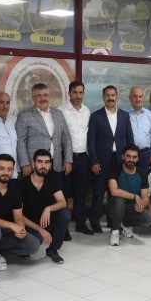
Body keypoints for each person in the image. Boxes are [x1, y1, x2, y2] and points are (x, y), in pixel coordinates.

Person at [0, 154, 41, 286]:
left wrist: (20, 228)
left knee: (33, 245)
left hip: (5, 231)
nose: (6, 172)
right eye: (2, 168)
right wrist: (12, 225)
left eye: (9, 169)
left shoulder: (15, 190)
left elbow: (18, 217)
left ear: (13, 170)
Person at [88, 85, 134, 233]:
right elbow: (91, 141)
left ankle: (112, 220)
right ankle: (95, 220)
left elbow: (129, 138)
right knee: (99, 191)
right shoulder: (96, 116)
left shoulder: (124, 115)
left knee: (115, 192)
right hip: (101, 160)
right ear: (103, 97)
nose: (110, 98)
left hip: (119, 161)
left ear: (117, 97)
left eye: (113, 95)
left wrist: (129, 159)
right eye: (107, 95)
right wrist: (94, 161)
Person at [15, 82, 73, 186]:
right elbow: (20, 141)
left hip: (56, 166)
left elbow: (66, 138)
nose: (43, 98)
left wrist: (68, 160)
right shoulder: (24, 115)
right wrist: (25, 164)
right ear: (33, 98)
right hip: (34, 167)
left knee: (57, 193)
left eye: (45, 95)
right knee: (36, 195)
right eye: (39, 95)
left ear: (49, 96)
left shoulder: (58, 113)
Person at [19, 149, 72, 264]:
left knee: (65, 214)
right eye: (40, 162)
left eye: (47, 162)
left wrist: (48, 209)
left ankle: (53, 250)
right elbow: (19, 216)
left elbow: (62, 202)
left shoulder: (52, 181)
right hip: (30, 224)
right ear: (33, 164)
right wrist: (40, 230)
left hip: (46, 220)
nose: (43, 166)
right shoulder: (22, 184)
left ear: (50, 165)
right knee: (34, 244)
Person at [57, 81, 94, 235]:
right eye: (75, 92)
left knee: (81, 193)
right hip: (67, 158)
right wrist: (67, 159)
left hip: (83, 158)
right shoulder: (61, 111)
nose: (78, 96)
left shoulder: (87, 111)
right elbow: (59, 136)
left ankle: (80, 223)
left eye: (80, 92)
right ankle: (63, 227)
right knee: (64, 193)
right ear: (69, 93)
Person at [107, 144, 151, 246]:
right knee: (119, 200)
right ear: (122, 156)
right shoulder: (115, 169)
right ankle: (115, 231)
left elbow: (145, 198)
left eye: (134, 157)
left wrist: (141, 204)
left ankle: (126, 225)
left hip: (132, 207)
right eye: (128, 156)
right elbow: (114, 191)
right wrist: (135, 196)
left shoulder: (142, 173)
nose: (131, 160)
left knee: (149, 219)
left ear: (138, 159)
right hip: (114, 206)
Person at [127, 86, 151, 170]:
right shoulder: (124, 114)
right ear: (130, 98)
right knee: (129, 176)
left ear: (143, 98)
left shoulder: (149, 114)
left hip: (145, 154)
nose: (138, 99)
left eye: (140, 96)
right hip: (129, 155)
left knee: (143, 176)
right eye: (135, 96)